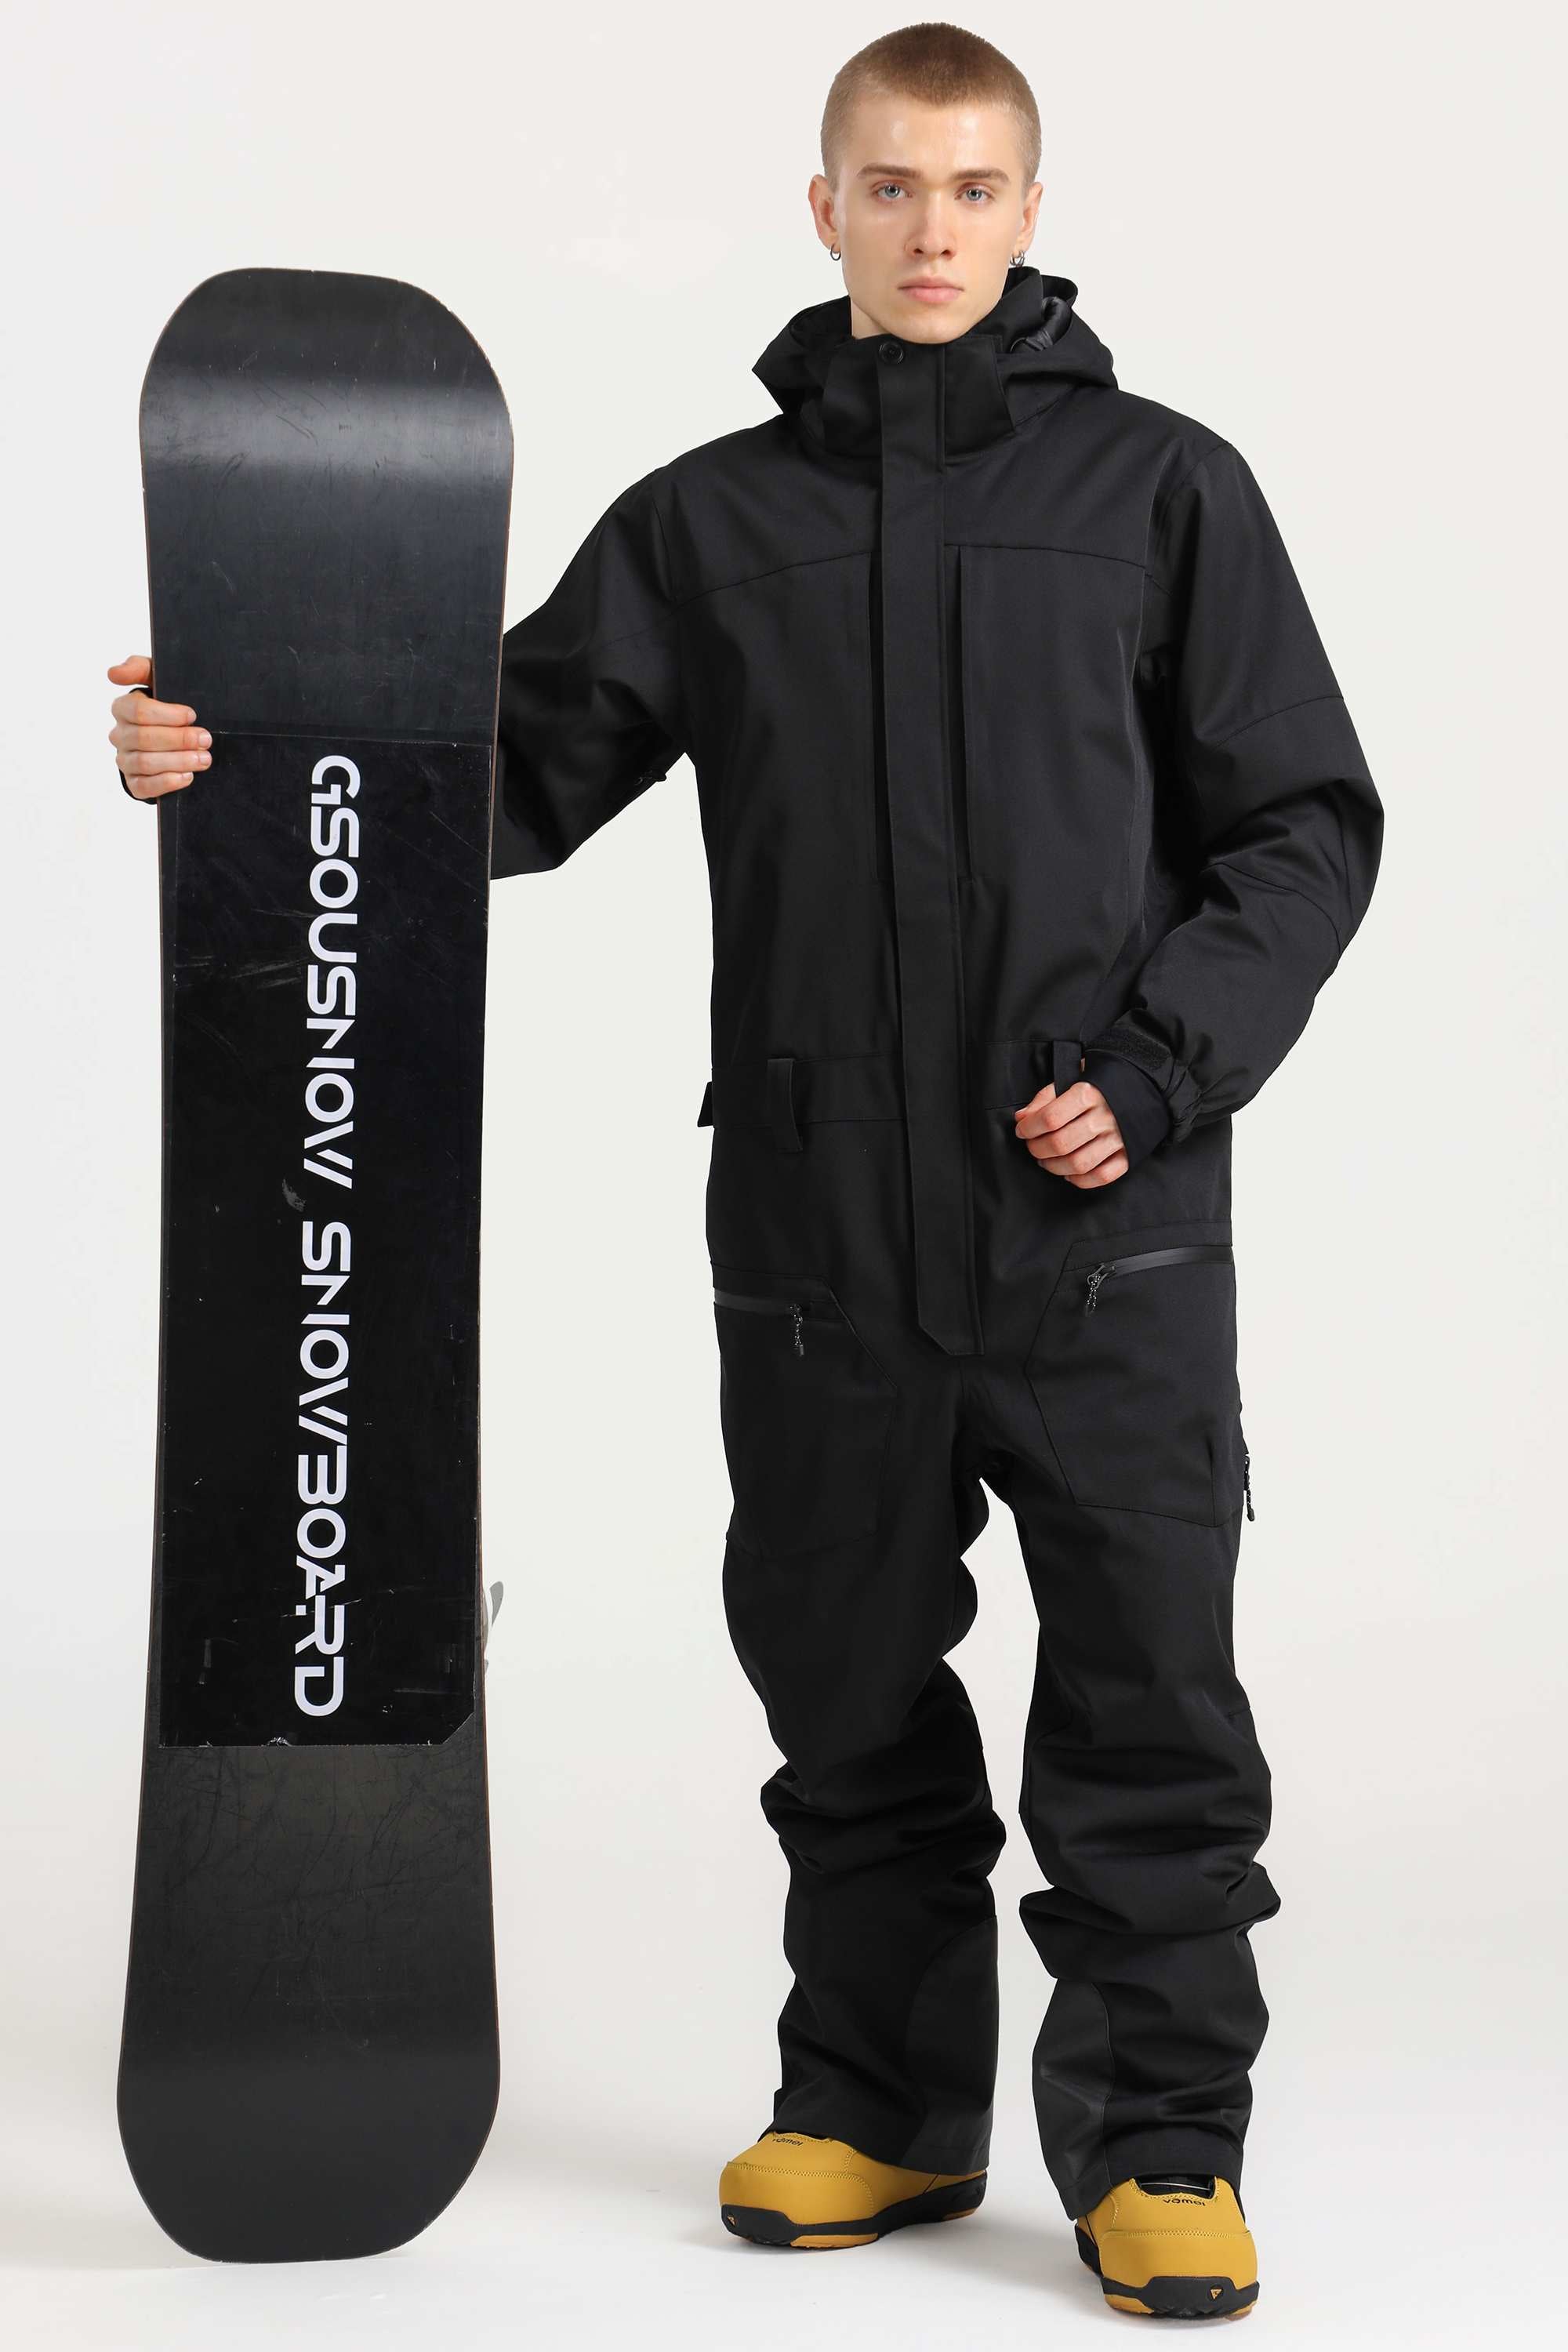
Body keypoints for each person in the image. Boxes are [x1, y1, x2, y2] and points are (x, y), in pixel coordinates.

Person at [111, 20, 1384, 2324]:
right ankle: (882, 2111)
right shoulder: (714, 525)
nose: (931, 229)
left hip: (1102, 1232)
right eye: (889, 187)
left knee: (1148, 1703)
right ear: (825, 208)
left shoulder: (1162, 493)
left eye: (972, 189)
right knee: (841, 1688)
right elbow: (479, 774)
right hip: (816, 1243)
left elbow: (1301, 827)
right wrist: (237, 748)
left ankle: (1163, 2145)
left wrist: (1160, 1071)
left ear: (1030, 210)